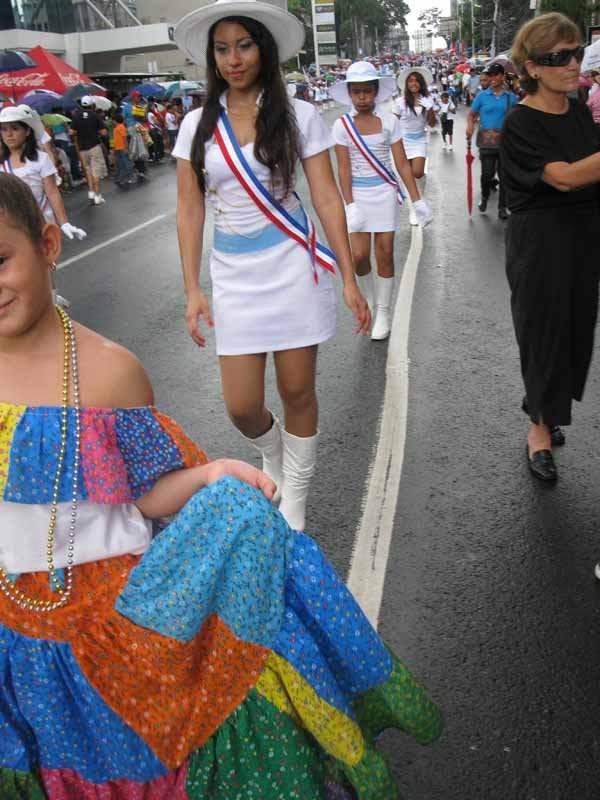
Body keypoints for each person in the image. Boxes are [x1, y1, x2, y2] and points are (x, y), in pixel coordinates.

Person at [0, 170, 443, 799]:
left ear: (48, 244)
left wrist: (210, 475)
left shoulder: (109, 373)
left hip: (128, 627)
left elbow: (144, 493)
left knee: (146, 756)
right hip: (16, 636)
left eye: (0, 260)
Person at [174, 0, 371, 533]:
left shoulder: (299, 116)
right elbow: (189, 209)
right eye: (222, 49)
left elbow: (325, 196)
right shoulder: (195, 124)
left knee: (297, 391)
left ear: (263, 50)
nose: (233, 59)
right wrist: (193, 288)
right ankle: (275, 450)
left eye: (244, 46)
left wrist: (349, 278)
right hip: (234, 277)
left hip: (292, 267)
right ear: (212, 58)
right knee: (241, 406)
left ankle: (297, 492)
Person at [500, 12, 600, 481]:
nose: (572, 63)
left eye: (575, 53)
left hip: (583, 236)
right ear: (533, 67)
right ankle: (538, 430)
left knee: (576, 331)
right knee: (543, 334)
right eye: (558, 57)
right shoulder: (520, 121)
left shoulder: (579, 113)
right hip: (539, 244)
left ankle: (545, 403)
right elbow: (563, 177)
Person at [331, 60, 433, 341]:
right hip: (358, 196)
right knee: (359, 256)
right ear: (349, 93)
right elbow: (343, 168)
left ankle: (384, 310)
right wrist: (349, 204)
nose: (362, 97)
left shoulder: (390, 121)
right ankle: (370, 298)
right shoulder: (341, 126)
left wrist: (417, 201)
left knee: (385, 252)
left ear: (376, 91)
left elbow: (401, 164)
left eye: (367, 91)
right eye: (356, 92)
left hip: (385, 193)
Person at [0, 105, 85, 242]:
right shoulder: (2, 163)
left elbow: (52, 192)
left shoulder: (41, 159)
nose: (9, 134)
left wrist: (64, 223)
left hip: (42, 224)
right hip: (13, 228)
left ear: (27, 131)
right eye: (4, 129)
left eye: (15, 129)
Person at [466, 63, 517, 220]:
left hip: (505, 143)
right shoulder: (482, 96)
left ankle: (502, 207)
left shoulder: (510, 97)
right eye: (490, 75)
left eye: (495, 75)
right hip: (487, 141)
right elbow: (472, 114)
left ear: (502, 76)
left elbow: (516, 118)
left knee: (504, 176)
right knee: (487, 175)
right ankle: (485, 196)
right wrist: (470, 126)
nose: (492, 78)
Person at [392, 66, 436, 181]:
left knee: (418, 172)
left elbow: (432, 124)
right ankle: (412, 191)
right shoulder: (400, 102)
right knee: (407, 173)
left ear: (421, 83)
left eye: (417, 81)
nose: (414, 83)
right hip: (403, 141)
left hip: (419, 140)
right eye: (411, 81)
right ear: (407, 84)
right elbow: (393, 122)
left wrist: (430, 108)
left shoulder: (427, 100)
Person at [68, 95, 108, 206]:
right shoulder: (95, 116)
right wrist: (96, 131)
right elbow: (104, 132)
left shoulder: (76, 116)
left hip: (82, 149)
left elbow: (71, 132)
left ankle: (91, 194)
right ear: (92, 105)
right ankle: (98, 197)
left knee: (88, 170)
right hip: (94, 146)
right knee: (96, 172)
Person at [112, 112, 136, 186]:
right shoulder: (116, 128)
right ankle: (121, 178)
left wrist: (126, 148)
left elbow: (124, 138)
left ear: (116, 120)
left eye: (113, 120)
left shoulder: (121, 127)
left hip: (122, 148)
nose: (113, 122)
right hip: (118, 149)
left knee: (127, 164)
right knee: (121, 164)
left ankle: (132, 177)